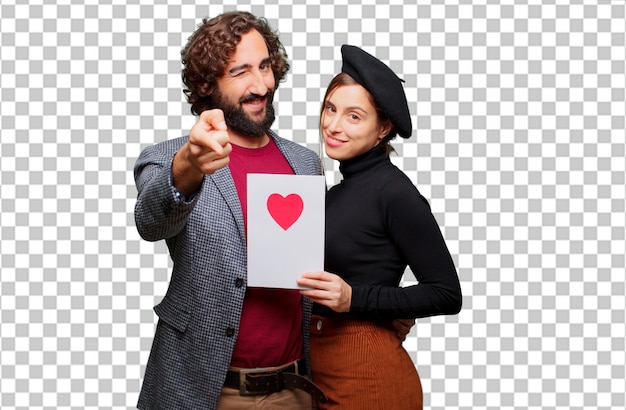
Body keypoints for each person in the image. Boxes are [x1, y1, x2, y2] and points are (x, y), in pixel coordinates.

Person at [133, 11, 327, 409]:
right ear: (207, 84)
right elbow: (151, 221)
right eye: (240, 72)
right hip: (204, 389)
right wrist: (189, 164)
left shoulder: (305, 163)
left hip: (293, 388)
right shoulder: (169, 158)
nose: (261, 85)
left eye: (266, 66)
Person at [297, 45, 463, 409]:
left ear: (383, 128)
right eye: (331, 108)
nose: (334, 125)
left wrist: (354, 298)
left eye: (354, 116)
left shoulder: (394, 192)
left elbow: (447, 293)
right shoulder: (335, 192)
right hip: (318, 367)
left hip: (367, 371)